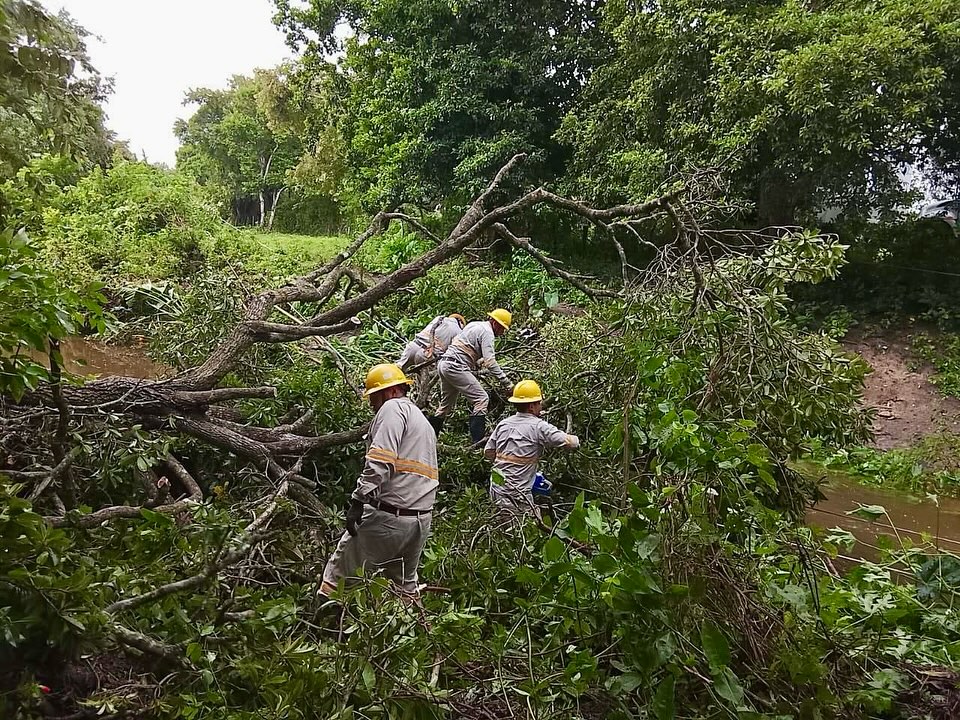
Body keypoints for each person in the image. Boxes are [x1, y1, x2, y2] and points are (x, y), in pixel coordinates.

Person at [319, 363, 439, 598]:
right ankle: (414, 620)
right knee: (405, 588)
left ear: (391, 391)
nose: (372, 405)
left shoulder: (392, 408)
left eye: (374, 397)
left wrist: (358, 500)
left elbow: (380, 462)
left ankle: (323, 618)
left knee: (336, 581)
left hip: (389, 517)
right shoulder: (422, 421)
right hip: (420, 521)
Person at [483, 379, 580, 518]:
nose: (540, 405)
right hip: (517, 493)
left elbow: (488, 452)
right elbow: (571, 443)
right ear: (531, 406)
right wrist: (575, 439)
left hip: (497, 488)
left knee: (501, 524)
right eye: (539, 403)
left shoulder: (504, 424)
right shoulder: (539, 426)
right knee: (530, 525)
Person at [430, 308, 513, 443]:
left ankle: (429, 438)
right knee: (481, 399)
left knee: (445, 406)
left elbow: (464, 347)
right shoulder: (488, 333)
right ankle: (478, 442)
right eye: (502, 328)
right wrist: (507, 383)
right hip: (455, 366)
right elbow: (490, 362)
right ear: (495, 323)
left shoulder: (474, 325)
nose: (502, 332)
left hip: (444, 364)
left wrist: (476, 361)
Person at [396, 313, 466, 404]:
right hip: (426, 355)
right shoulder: (459, 332)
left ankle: (393, 391)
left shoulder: (439, 319)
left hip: (413, 346)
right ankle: (424, 403)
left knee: (397, 371)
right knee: (424, 385)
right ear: (460, 322)